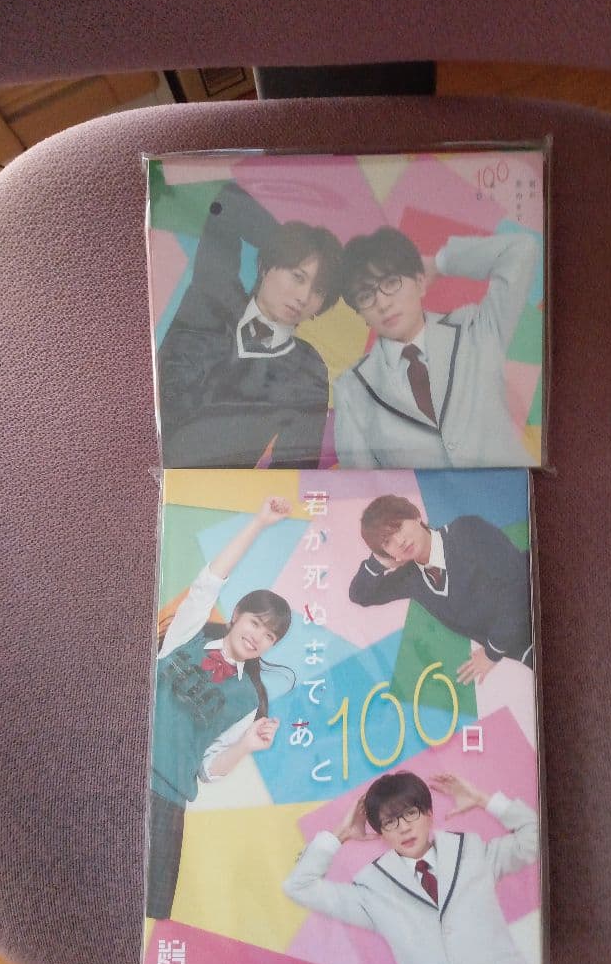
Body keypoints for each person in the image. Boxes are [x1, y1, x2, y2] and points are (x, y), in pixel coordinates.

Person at [146, 496, 293, 920]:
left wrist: (247, 745)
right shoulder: (186, 635)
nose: (258, 636)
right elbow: (209, 582)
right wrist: (260, 522)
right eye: (255, 623)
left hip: (167, 802)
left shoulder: (248, 701)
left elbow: (209, 769)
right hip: (122, 773)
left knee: (143, 918)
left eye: (269, 636)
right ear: (236, 617)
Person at [283, 771, 539, 964]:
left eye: (410, 813)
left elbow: (538, 838)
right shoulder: (372, 890)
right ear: (381, 833)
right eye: (390, 822)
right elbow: (299, 887)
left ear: (429, 814)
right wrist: (340, 834)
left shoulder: (473, 853)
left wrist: (483, 800)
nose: (404, 827)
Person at [157, 179, 343, 469]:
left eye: (318, 290)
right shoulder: (213, 297)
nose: (304, 297)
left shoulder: (307, 369)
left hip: (214, 494)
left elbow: (295, 470)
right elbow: (228, 202)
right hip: (130, 456)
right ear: (266, 267)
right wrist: (285, 245)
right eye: (297, 276)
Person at [333, 226, 539, 468]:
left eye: (391, 282)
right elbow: (361, 484)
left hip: (515, 489)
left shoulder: (475, 328)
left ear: (420, 282)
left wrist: (440, 264)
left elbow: (521, 250)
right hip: (421, 496)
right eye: (366, 296)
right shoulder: (351, 389)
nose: (383, 303)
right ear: (361, 314)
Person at [349, 494, 532, 685]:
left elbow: (519, 586)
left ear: (416, 516)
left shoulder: (467, 531)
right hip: (524, 653)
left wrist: (492, 652)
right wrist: (377, 562)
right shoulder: (410, 578)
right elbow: (360, 595)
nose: (400, 541)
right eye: (387, 542)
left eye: (399, 526)